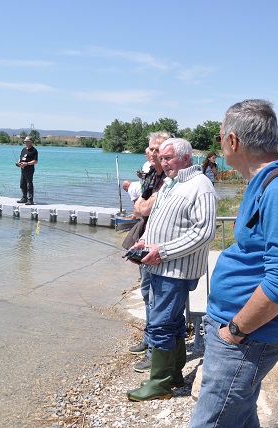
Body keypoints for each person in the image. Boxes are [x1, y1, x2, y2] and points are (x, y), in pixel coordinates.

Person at [188, 100, 278, 427]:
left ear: (233, 141)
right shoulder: (269, 181)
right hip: (241, 332)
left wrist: (234, 331)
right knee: (241, 418)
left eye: (220, 136)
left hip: (246, 337)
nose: (220, 143)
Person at [126, 137, 217, 402]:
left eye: (168, 158)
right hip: (161, 267)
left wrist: (162, 251)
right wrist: (144, 242)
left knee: (161, 324)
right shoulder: (171, 183)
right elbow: (158, 220)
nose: (162, 162)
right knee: (174, 322)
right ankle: (174, 375)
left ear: (186, 158)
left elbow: (204, 232)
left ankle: (159, 384)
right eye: (161, 158)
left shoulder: (201, 185)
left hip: (175, 270)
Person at [126, 131, 170, 373]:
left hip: (160, 246)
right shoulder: (153, 174)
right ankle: (148, 338)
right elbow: (140, 207)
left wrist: (140, 204)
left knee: (157, 297)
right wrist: (141, 205)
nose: (153, 153)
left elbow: (143, 208)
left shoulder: (169, 178)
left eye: (157, 149)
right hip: (145, 240)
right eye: (151, 149)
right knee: (146, 292)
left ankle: (155, 351)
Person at [17, 136, 38, 205]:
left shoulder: (34, 150)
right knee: (22, 184)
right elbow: (21, 158)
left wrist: (27, 163)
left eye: (27, 141)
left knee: (29, 184)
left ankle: (30, 200)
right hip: (23, 169)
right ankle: (24, 198)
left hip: (29, 169)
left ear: (31, 142)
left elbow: (35, 161)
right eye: (25, 141)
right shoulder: (23, 149)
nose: (26, 143)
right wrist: (19, 163)